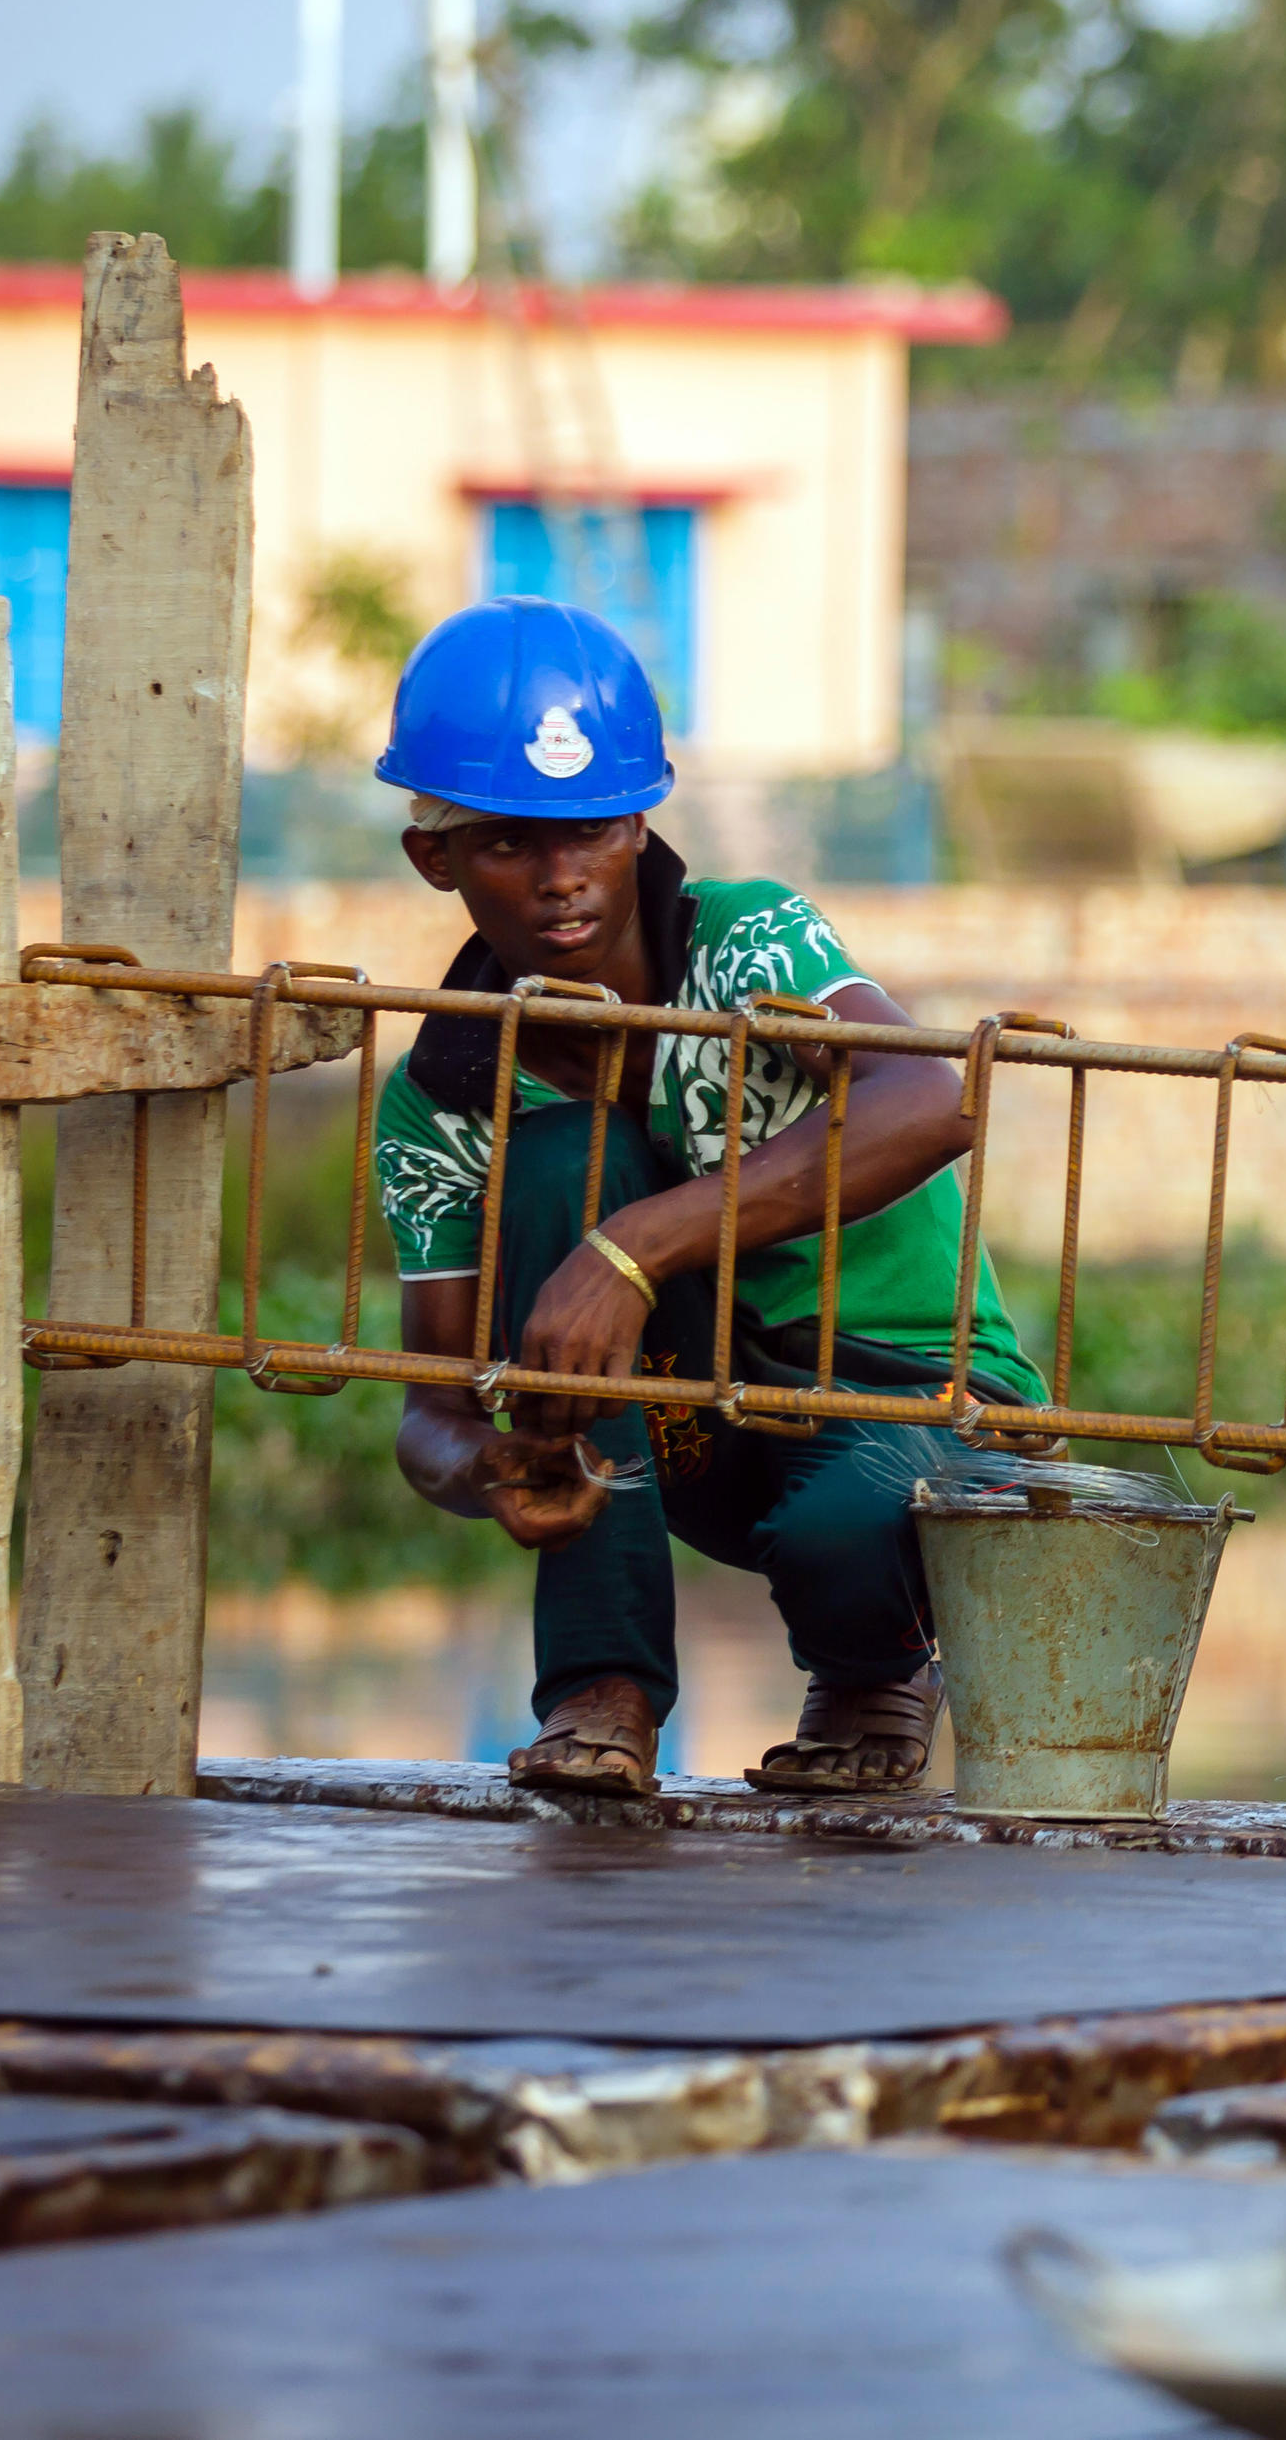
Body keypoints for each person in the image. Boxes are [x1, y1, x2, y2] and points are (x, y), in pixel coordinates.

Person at [369, 597, 1043, 1799]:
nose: (561, 877)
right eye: (510, 841)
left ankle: (868, 1670)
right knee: (556, 1152)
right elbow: (429, 1405)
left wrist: (631, 1248)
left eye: (590, 828)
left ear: (640, 821)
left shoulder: (745, 945)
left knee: (854, 1517)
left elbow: (929, 1099)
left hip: (916, 1398)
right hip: (691, 1429)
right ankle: (600, 1689)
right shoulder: (448, 1089)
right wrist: (486, 1463)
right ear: (437, 857)